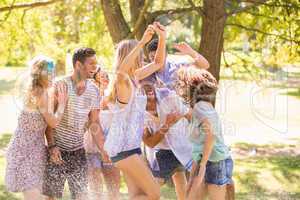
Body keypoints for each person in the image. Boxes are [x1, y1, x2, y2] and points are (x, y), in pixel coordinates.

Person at [104, 22, 167, 200]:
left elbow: (158, 62)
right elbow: (121, 71)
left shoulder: (135, 78)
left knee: (138, 195)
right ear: (129, 56)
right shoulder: (123, 82)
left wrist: (162, 38)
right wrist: (141, 43)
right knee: (154, 194)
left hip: (131, 147)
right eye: (139, 54)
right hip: (123, 148)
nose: (141, 58)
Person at [42, 48, 106, 200]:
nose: (95, 67)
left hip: (78, 151)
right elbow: (48, 120)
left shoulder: (94, 90)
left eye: (96, 63)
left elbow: (94, 123)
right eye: (91, 63)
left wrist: (104, 149)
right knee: (51, 197)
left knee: (81, 196)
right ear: (78, 65)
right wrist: (51, 146)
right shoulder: (60, 85)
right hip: (56, 151)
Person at [5, 55, 68, 200]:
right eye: (49, 72)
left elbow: (47, 126)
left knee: (45, 196)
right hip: (24, 152)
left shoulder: (42, 91)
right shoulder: (39, 93)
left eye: (54, 72)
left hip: (35, 151)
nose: (53, 75)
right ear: (40, 73)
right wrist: (63, 104)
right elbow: (53, 122)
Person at [174, 67, 234, 200]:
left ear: (191, 88)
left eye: (183, 86)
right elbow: (200, 142)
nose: (181, 89)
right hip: (207, 159)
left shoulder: (200, 107)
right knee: (190, 195)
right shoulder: (204, 106)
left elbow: (211, 135)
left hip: (214, 161)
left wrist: (202, 167)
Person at [141, 80, 193, 200]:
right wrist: (167, 125)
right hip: (162, 151)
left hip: (181, 145)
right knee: (155, 184)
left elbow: (190, 114)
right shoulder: (138, 114)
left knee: (179, 178)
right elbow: (150, 142)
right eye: (147, 100)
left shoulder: (169, 97)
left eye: (152, 96)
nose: (152, 102)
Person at [84, 66, 121, 200]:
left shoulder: (113, 98)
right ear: (94, 80)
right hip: (91, 149)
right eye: (102, 76)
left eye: (107, 76)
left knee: (114, 190)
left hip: (111, 149)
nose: (105, 78)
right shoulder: (88, 98)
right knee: (96, 190)